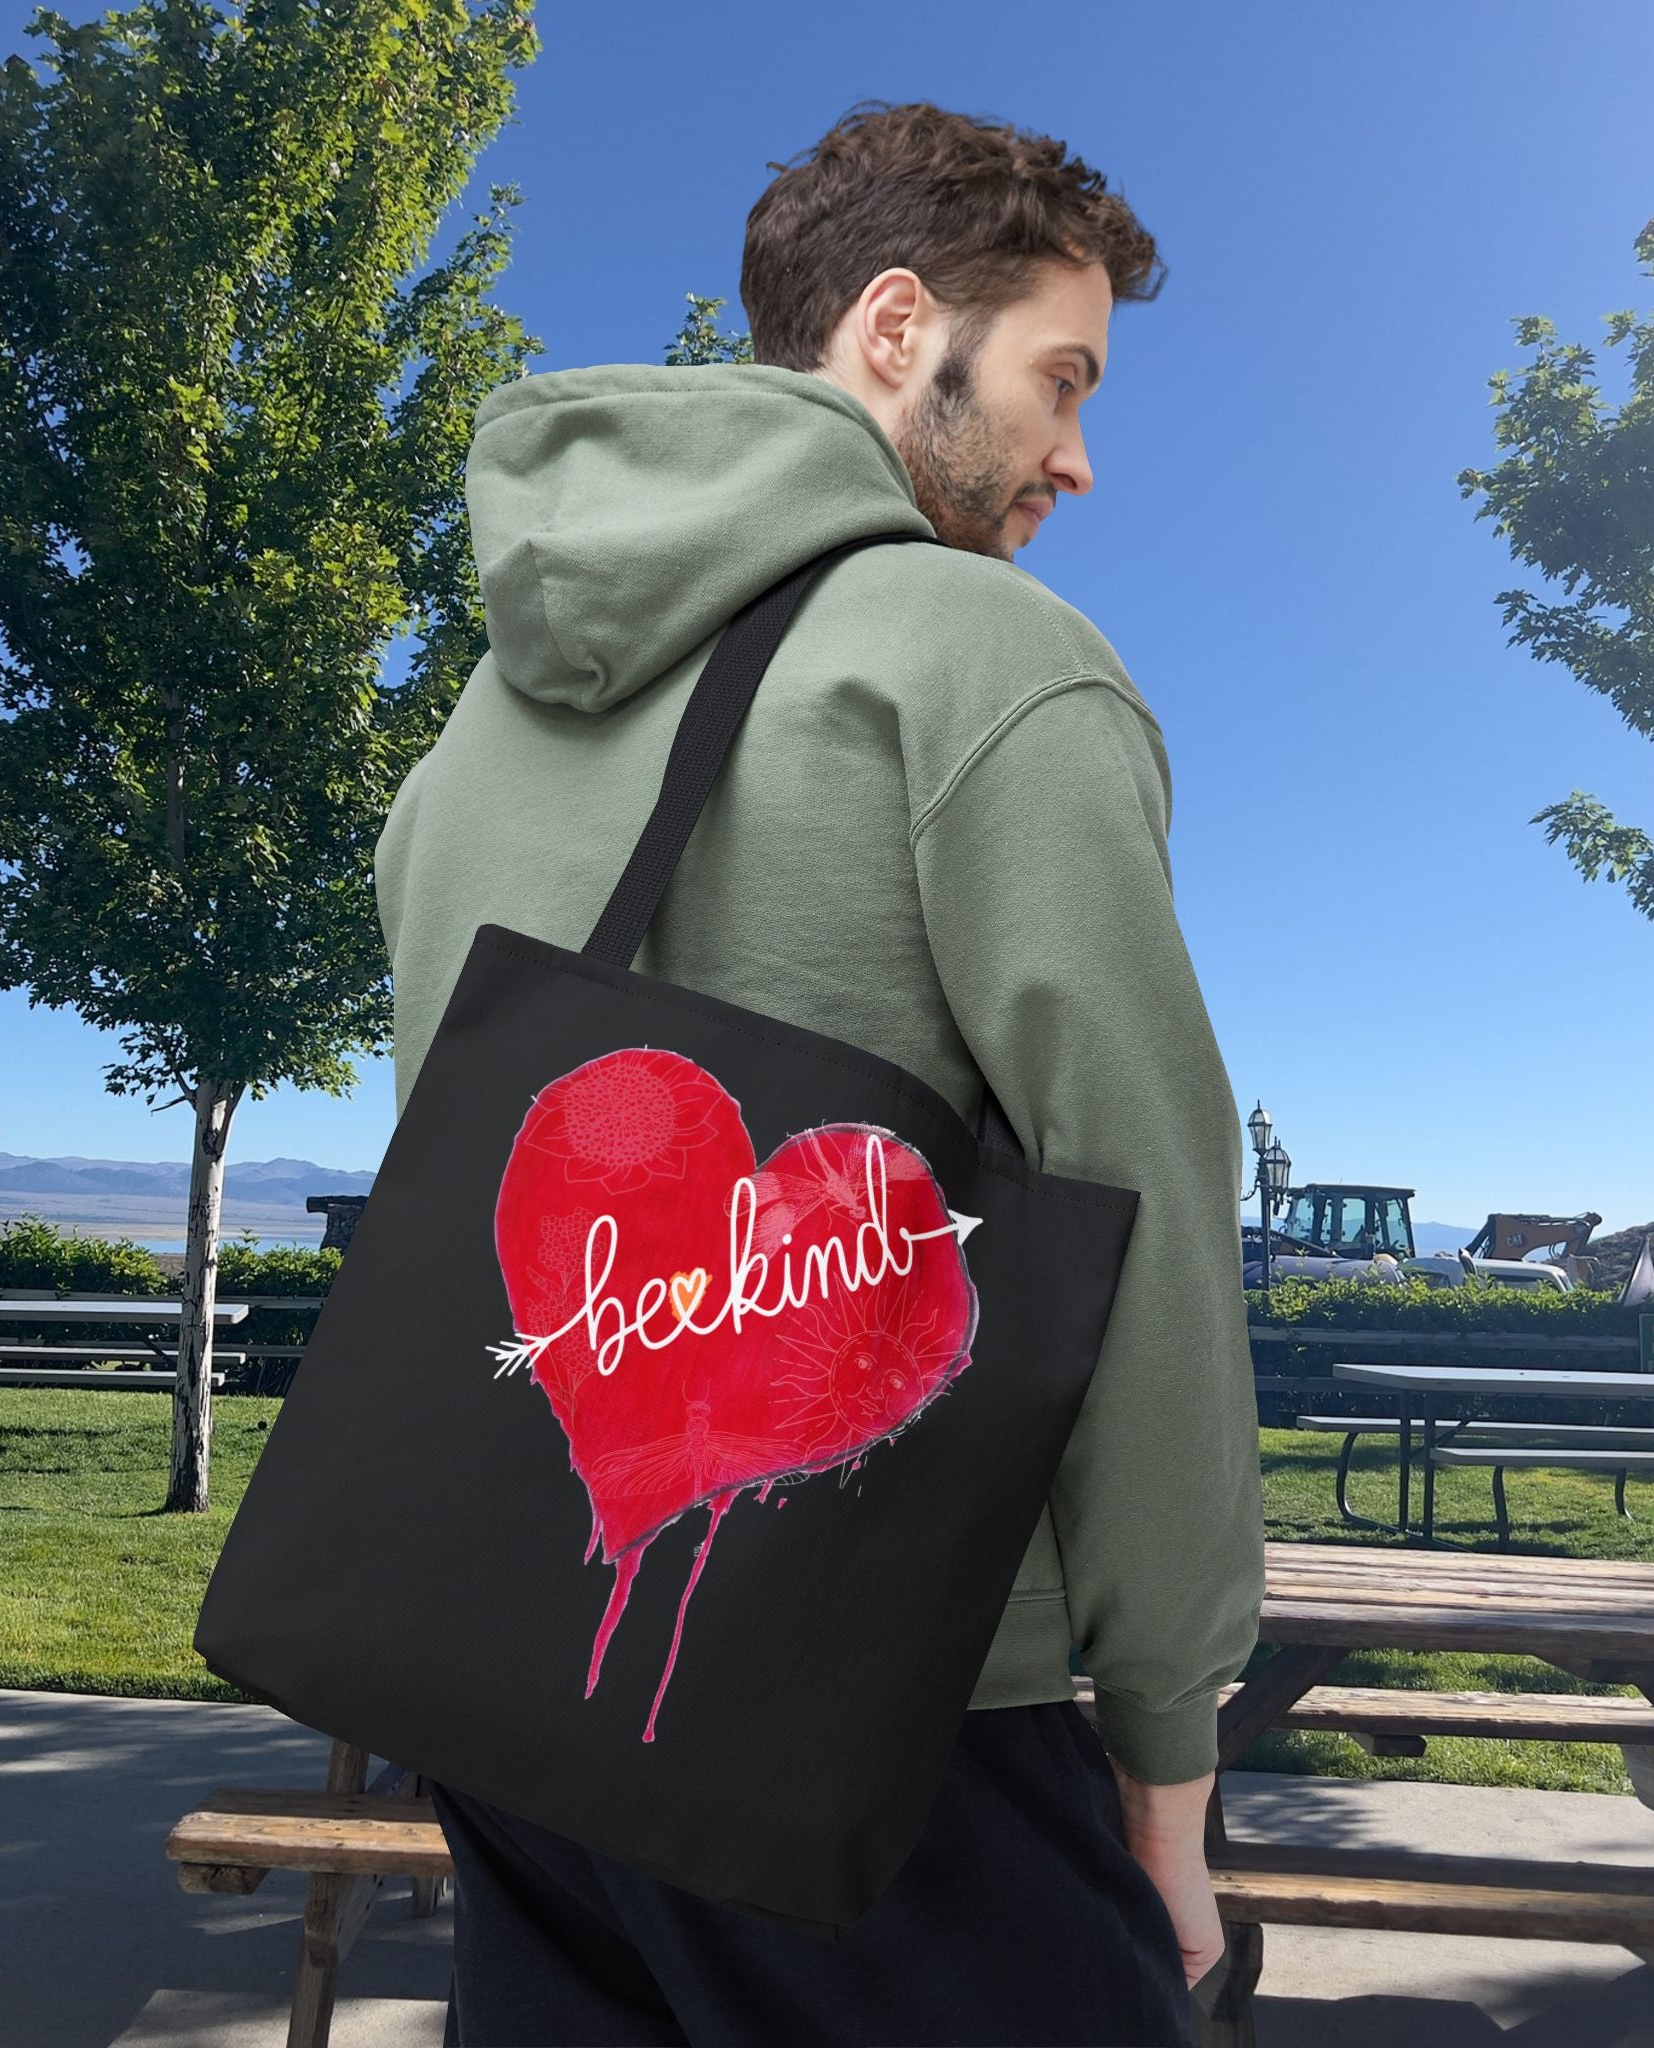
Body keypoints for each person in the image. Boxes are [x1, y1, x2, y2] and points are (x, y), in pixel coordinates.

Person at [372, 97, 1265, 2048]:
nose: (1079, 457)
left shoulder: (477, 734)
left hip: (526, 1690)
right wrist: (1169, 1745)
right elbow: (1146, 1224)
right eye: (1056, 377)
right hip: (910, 1724)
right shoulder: (976, 661)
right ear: (889, 329)